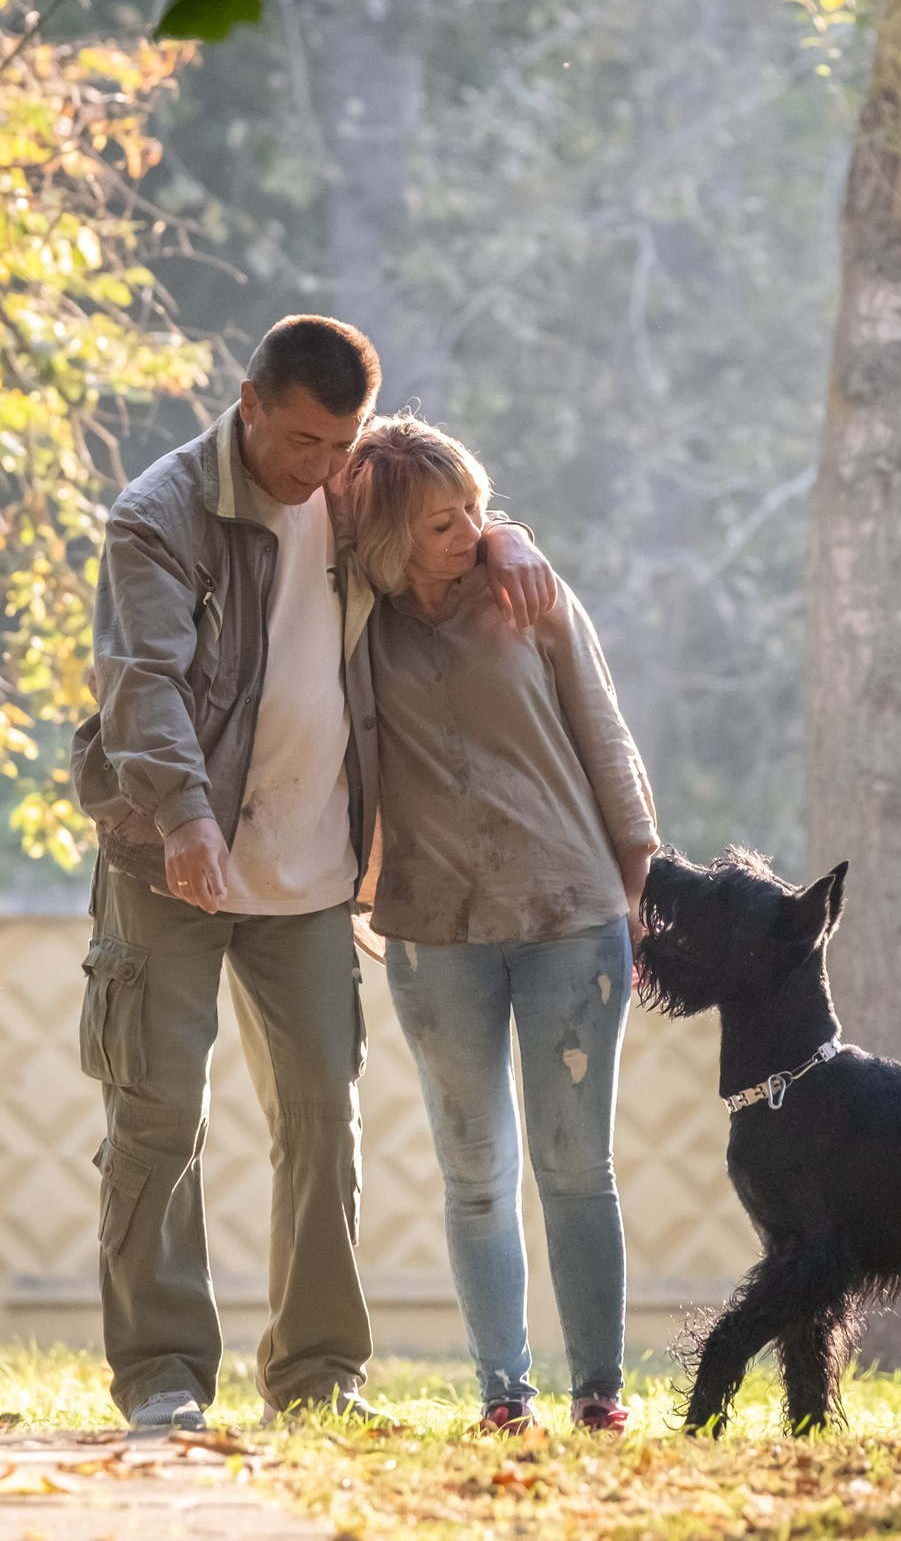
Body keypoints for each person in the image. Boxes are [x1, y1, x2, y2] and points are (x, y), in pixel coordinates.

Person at [70, 316, 555, 1432]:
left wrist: (506, 542)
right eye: (298, 444)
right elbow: (139, 685)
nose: (319, 472)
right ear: (248, 405)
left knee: (323, 1120)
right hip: (167, 859)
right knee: (156, 1116)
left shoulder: (347, 486)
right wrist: (188, 820)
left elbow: (444, 511)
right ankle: (161, 1375)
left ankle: (320, 1372)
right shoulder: (159, 516)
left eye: (339, 448)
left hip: (308, 870)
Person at [339, 416, 657, 1436]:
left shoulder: (528, 591)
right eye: (442, 522)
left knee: (576, 1167)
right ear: (387, 540)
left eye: (478, 508)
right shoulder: (352, 617)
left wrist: (642, 877)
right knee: (473, 1174)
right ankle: (502, 1398)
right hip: (434, 928)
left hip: (571, 912)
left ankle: (600, 1393)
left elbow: (604, 729)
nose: (472, 531)